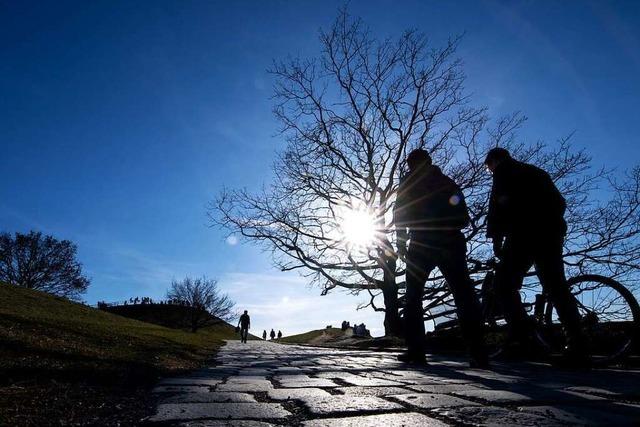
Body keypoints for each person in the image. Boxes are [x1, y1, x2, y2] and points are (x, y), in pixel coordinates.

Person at [485, 147, 588, 366]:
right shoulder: (536, 172)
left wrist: (496, 239)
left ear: (493, 161)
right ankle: (578, 342)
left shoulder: (502, 172)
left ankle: (520, 338)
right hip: (551, 232)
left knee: (503, 285)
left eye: (489, 168)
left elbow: (497, 210)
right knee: (555, 284)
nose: (490, 172)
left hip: (523, 234)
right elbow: (560, 203)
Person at [395, 149, 488, 367]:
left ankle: (416, 351)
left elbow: (400, 214)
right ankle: (478, 352)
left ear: (411, 164)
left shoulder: (408, 183)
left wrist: (400, 243)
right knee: (463, 295)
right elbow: (463, 215)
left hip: (421, 243)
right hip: (450, 241)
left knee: (414, 297)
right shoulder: (447, 182)